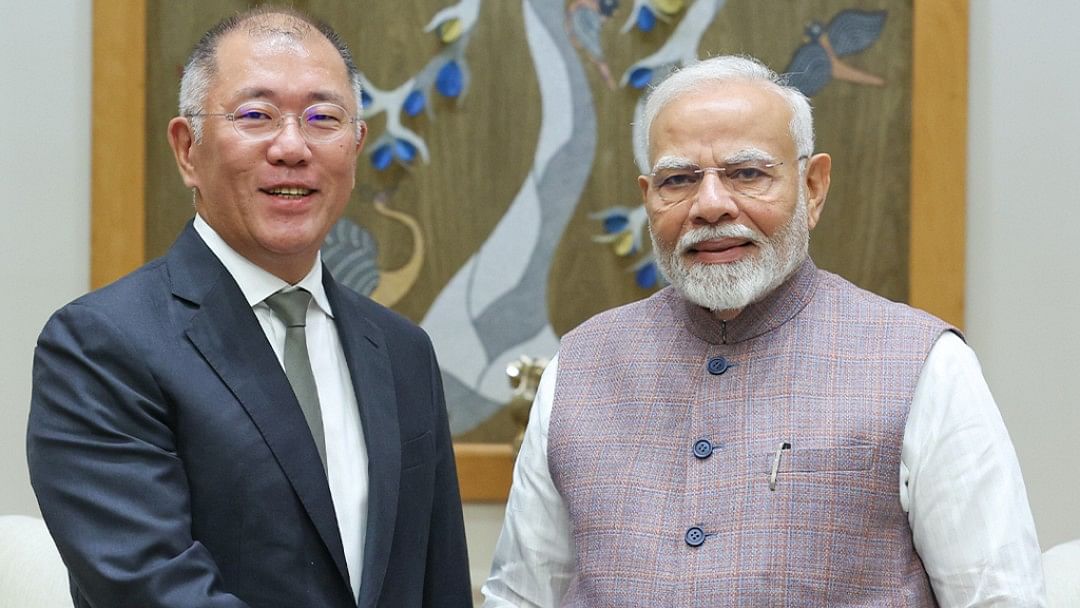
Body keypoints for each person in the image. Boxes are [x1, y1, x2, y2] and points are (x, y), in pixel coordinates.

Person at [483, 55, 1046, 606]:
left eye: (747, 173)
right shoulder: (578, 369)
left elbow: (999, 596)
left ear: (813, 186)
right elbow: (522, 596)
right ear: (648, 198)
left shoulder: (924, 365)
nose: (709, 205)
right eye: (678, 179)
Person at [27, 7, 471, 607]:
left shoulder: (401, 351)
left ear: (356, 146)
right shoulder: (101, 345)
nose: (292, 147)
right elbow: (151, 588)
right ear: (188, 149)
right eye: (256, 115)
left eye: (323, 118)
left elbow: (437, 583)